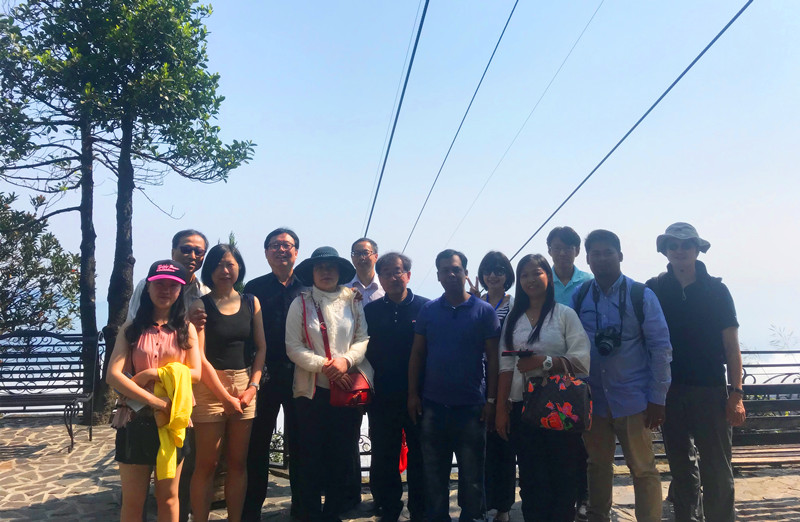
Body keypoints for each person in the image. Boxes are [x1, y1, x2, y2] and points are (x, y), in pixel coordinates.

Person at [647, 222, 745, 522]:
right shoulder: (654, 289)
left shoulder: (717, 290)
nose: (680, 250)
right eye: (673, 245)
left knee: (717, 468)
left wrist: (736, 393)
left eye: (686, 244)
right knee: (680, 467)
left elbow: (731, 346)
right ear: (665, 250)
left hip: (710, 389)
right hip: (669, 391)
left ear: (697, 249)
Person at [571, 230, 672, 522]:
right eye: (596, 253)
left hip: (634, 399)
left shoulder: (641, 295)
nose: (602, 258)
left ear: (620, 256)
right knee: (597, 465)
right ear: (587, 259)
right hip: (594, 400)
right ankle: (598, 517)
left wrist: (658, 398)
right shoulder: (581, 296)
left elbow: (661, 348)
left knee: (643, 468)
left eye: (608, 252)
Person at [495, 254, 590, 521]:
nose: (530, 279)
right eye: (524, 275)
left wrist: (544, 362)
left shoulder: (564, 315)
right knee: (531, 477)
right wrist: (501, 409)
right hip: (522, 408)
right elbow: (505, 367)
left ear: (548, 275)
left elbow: (582, 361)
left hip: (560, 407)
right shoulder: (513, 319)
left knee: (563, 476)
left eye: (536, 273)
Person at [408, 249, 500, 522]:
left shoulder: (483, 311)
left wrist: (491, 401)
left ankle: (472, 518)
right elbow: (417, 354)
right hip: (433, 406)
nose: (451, 274)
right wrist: (413, 394)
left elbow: (494, 359)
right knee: (434, 475)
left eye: (456, 269)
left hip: (472, 407)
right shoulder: (428, 310)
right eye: (445, 270)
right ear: (438, 276)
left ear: (465, 273)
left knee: (472, 476)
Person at [107, 260, 202, 522]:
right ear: (148, 287)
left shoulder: (186, 329)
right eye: (159, 284)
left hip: (173, 423)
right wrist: (156, 402)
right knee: (133, 500)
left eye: (173, 285)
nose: (165, 290)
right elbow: (113, 375)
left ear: (180, 291)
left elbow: (196, 373)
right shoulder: (131, 329)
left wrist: (152, 374)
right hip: (135, 418)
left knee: (169, 497)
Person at [285, 246, 374, 522]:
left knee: (341, 454)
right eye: (320, 268)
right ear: (312, 273)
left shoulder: (352, 300)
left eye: (331, 267)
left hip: (346, 389)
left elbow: (362, 338)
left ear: (339, 271)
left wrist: (345, 361)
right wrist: (326, 366)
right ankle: (309, 512)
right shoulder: (300, 302)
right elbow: (293, 347)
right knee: (309, 455)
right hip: (310, 391)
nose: (326, 272)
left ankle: (334, 511)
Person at [189, 244, 267, 522]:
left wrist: (253, 387)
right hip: (210, 387)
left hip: (245, 385)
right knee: (206, 464)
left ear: (239, 268)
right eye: (219, 265)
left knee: (237, 463)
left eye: (230, 264)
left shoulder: (251, 302)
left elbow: (261, 348)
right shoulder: (201, 305)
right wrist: (224, 397)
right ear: (210, 270)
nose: (225, 270)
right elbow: (199, 357)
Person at [241, 228, 306, 521]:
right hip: (263, 378)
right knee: (256, 445)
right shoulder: (253, 288)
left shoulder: (307, 288)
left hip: (300, 376)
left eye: (287, 245)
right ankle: (251, 509)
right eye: (275, 246)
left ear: (296, 252)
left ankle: (303, 508)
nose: (281, 250)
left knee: (302, 443)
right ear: (266, 253)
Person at [365, 252, 429, 522]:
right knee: (384, 454)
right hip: (382, 395)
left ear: (408, 275)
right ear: (380, 278)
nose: (393, 277)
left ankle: (420, 509)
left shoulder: (426, 308)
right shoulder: (370, 311)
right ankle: (389, 508)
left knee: (420, 455)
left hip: (419, 395)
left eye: (398, 271)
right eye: (387, 273)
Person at [545, 225, 593, 520]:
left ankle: (583, 496)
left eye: (568, 248)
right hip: (547, 372)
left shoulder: (587, 282)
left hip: (580, 370)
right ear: (549, 251)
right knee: (552, 438)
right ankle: (558, 497)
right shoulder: (541, 281)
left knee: (581, 439)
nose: (562, 253)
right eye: (557, 248)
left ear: (577, 251)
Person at [469, 251, 515, 522]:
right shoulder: (475, 303)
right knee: (480, 448)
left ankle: (504, 507)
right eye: (488, 270)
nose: (493, 275)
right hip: (479, 380)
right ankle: (484, 503)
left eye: (499, 270)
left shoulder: (515, 305)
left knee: (503, 445)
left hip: (506, 379)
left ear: (507, 275)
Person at [343, 237, 385, 510]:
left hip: (383, 371)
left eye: (365, 252)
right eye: (356, 253)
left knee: (382, 436)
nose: (361, 257)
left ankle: (382, 497)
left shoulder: (387, 288)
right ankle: (349, 495)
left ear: (375, 256)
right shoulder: (344, 291)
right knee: (348, 435)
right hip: (353, 371)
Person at [127, 229, 210, 322]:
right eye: (186, 250)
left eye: (198, 252)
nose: (192, 256)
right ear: (173, 253)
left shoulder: (205, 292)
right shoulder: (147, 285)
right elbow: (132, 322)